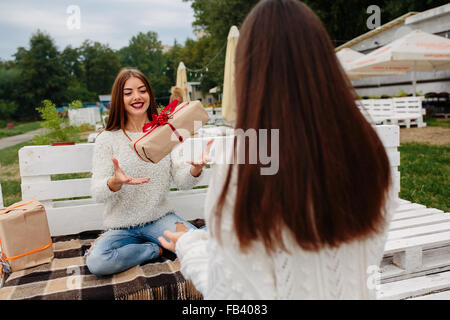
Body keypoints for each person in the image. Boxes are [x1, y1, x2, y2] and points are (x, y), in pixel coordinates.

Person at [158, 0, 398, 299]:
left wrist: (189, 246)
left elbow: (233, 297)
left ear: (247, 74)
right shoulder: (372, 156)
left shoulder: (242, 169)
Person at [86, 68, 213, 276]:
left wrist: (195, 168)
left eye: (142, 90)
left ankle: (221, 228)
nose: (136, 97)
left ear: (149, 95)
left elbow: (182, 181)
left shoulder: (166, 132)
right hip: (121, 227)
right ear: (120, 98)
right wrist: (114, 182)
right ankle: (156, 249)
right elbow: (97, 192)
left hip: (159, 219)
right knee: (98, 262)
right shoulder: (107, 139)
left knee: (202, 247)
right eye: (128, 93)